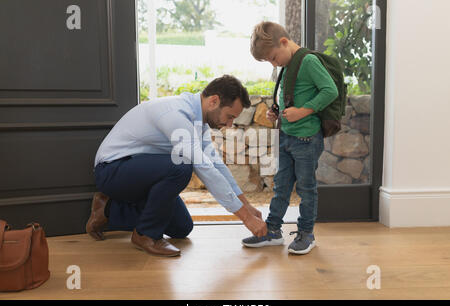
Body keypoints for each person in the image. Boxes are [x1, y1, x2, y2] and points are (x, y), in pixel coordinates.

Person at [86, 75, 267, 257]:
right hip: (112, 169)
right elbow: (204, 168)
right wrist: (245, 218)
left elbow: (215, 165)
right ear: (214, 101)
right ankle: (146, 235)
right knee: (181, 166)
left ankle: (108, 209)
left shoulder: (199, 122)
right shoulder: (176, 114)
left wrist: (247, 206)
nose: (230, 124)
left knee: (182, 227)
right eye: (229, 116)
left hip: (140, 174)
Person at [242, 21, 338, 255]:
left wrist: (303, 111)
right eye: (269, 62)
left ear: (284, 42)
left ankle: (307, 233)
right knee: (281, 186)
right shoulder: (288, 64)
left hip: (306, 138)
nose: (274, 64)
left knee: (306, 188)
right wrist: (278, 111)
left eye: (273, 58)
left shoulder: (308, 61)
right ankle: (273, 230)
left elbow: (330, 90)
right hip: (286, 136)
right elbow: (293, 95)